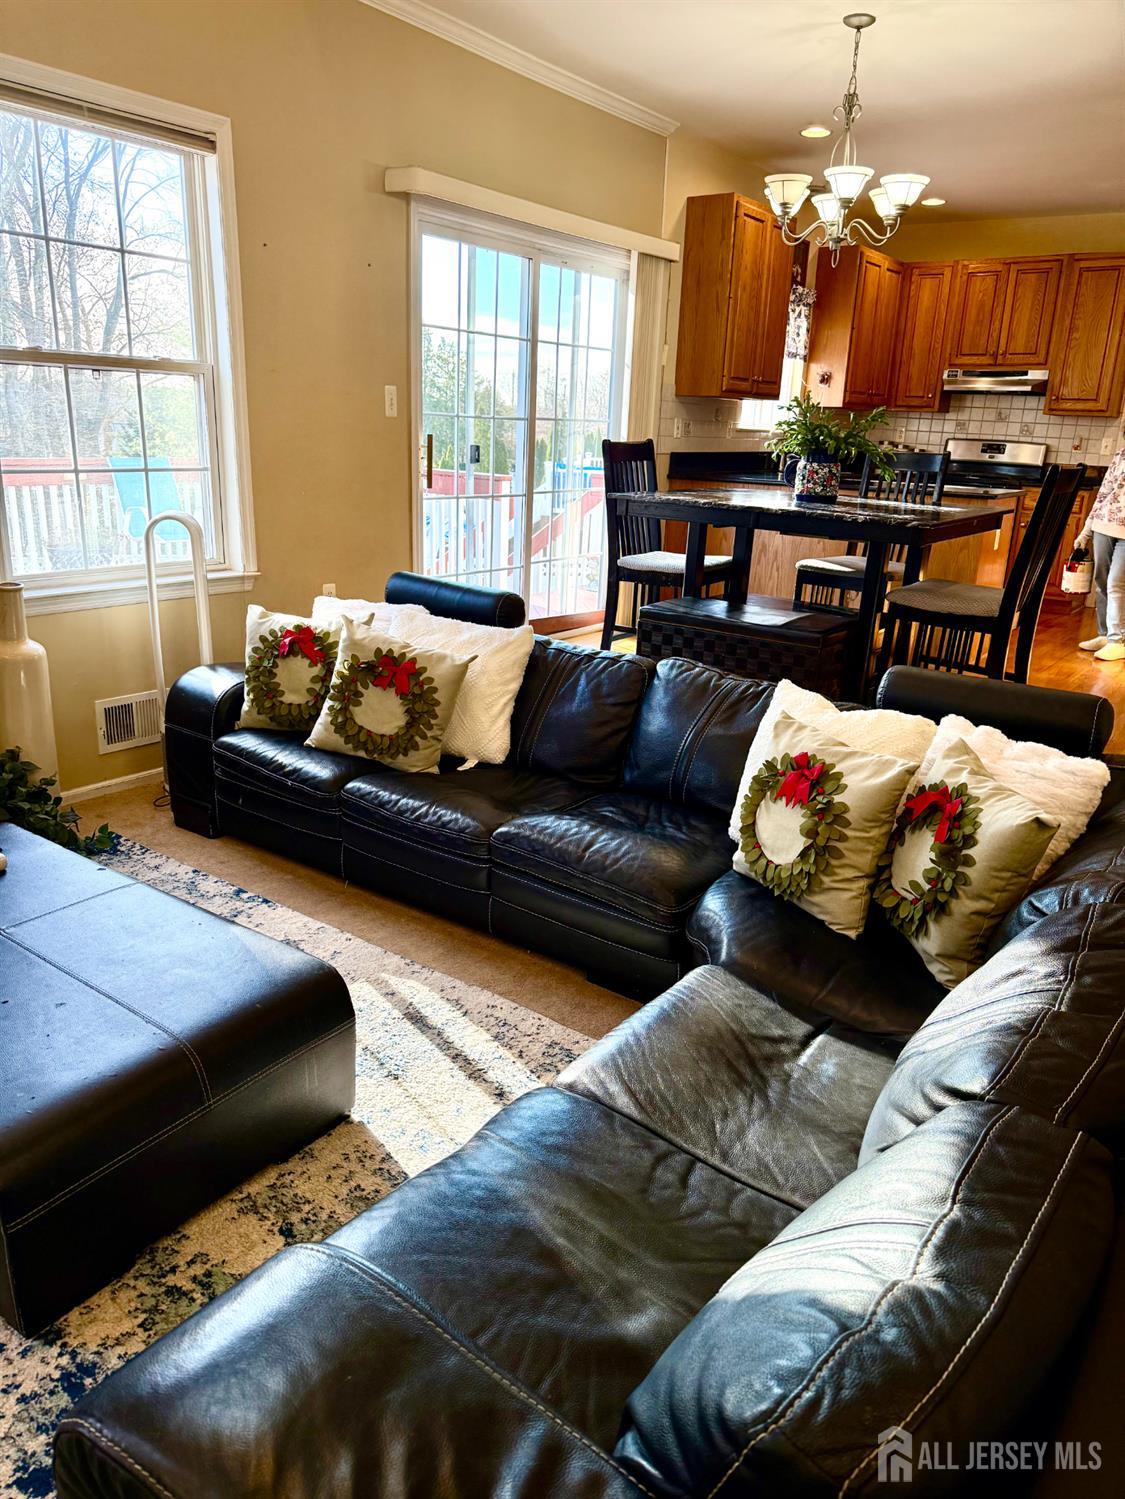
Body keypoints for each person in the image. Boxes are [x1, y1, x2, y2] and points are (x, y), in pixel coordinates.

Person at [1076, 444, 1125, 662]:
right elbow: (1103, 495)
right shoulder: (1121, 454)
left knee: (1116, 583)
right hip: (1103, 526)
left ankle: (1118, 640)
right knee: (1102, 581)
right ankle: (1104, 634)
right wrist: (1086, 531)